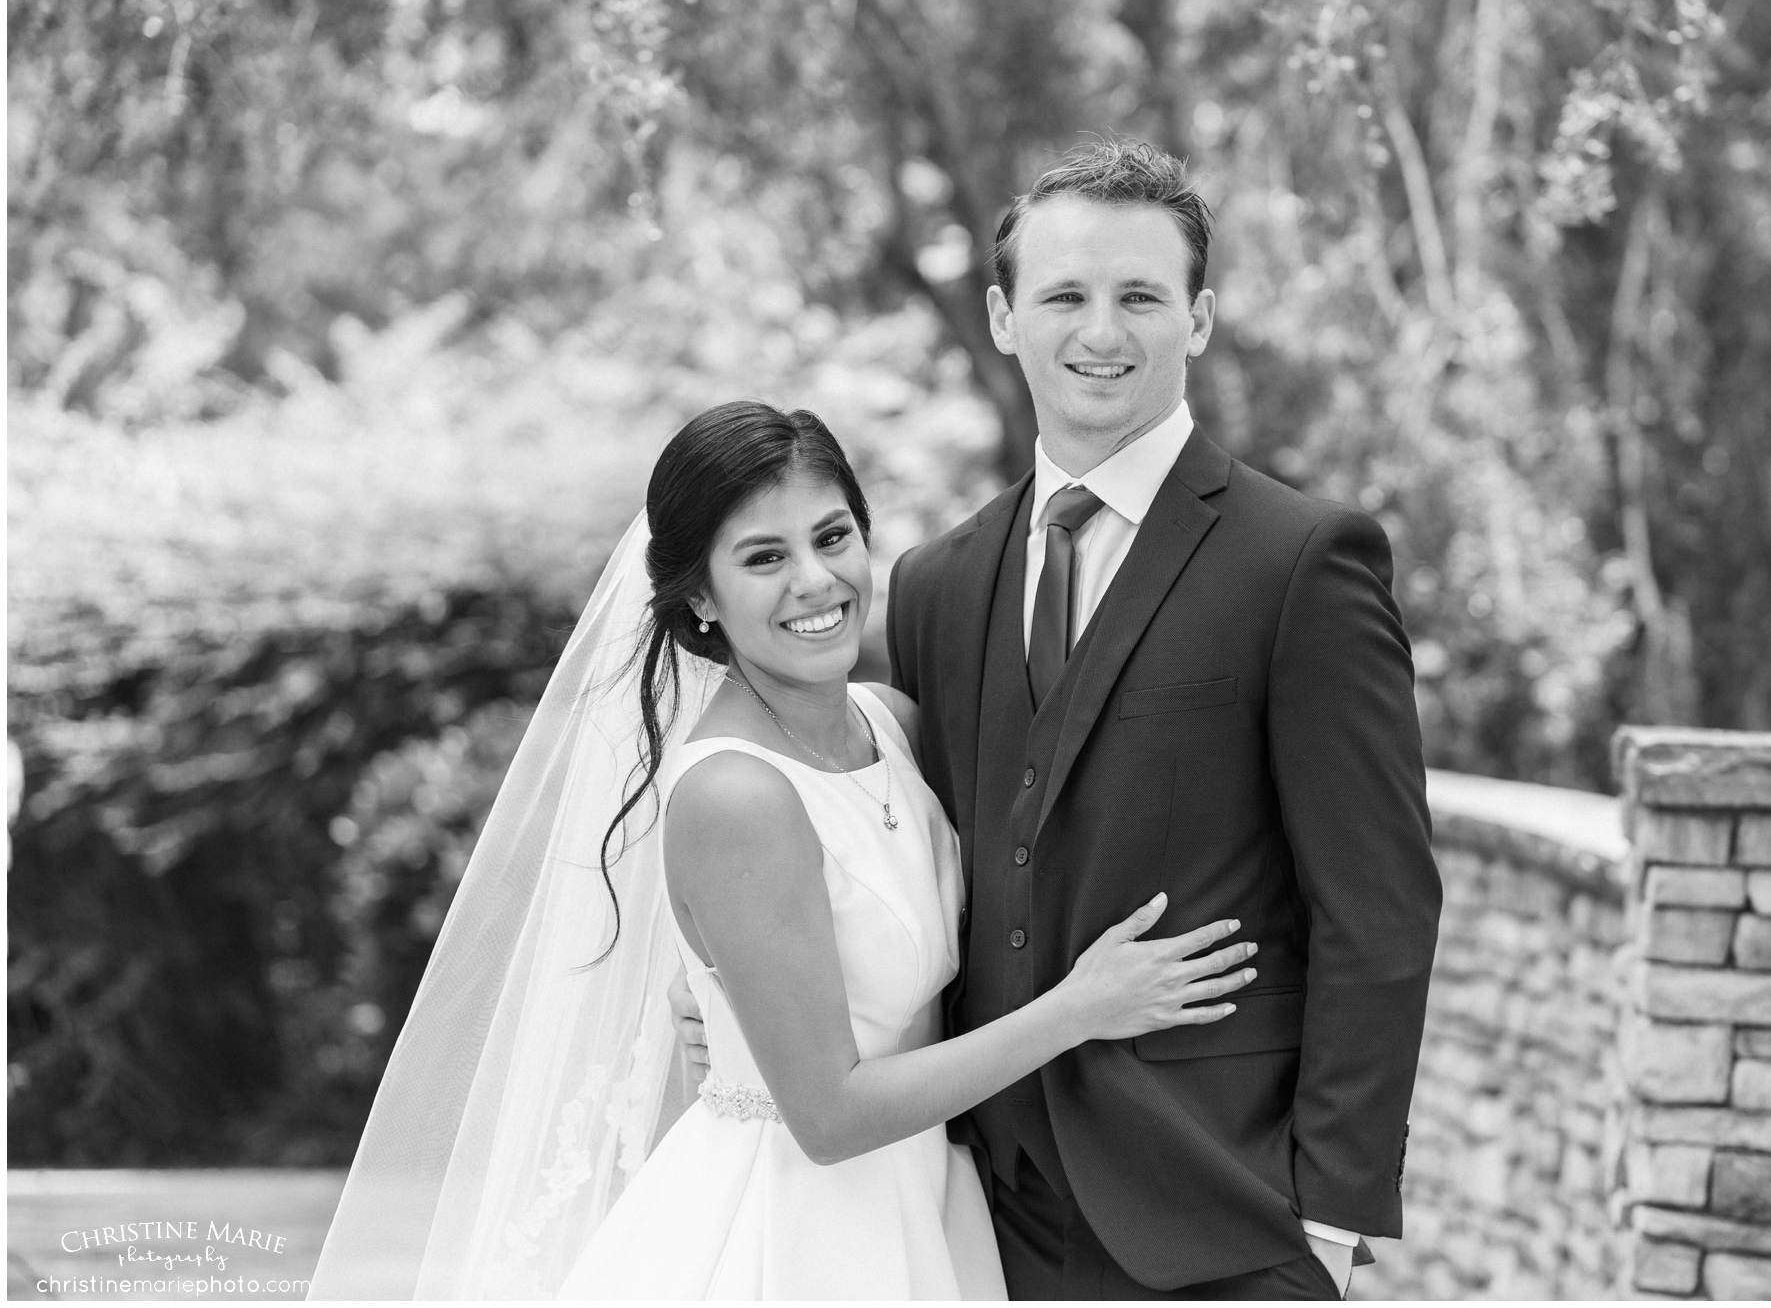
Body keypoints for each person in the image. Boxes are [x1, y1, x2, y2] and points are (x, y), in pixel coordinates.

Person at [680, 137, 1440, 1297]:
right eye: (1064, 295)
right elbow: (905, 859)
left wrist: (1328, 1214)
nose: (1101, 331)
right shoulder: (934, 584)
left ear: (1197, 317)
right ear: (1001, 316)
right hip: (981, 1216)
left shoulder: (1298, 563)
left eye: (1140, 295)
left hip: (1224, 1213)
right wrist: (739, 1011)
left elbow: (1378, 906)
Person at [309, 402, 1257, 1300]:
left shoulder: (892, 727)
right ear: (702, 600)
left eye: (833, 536)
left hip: (932, 1200)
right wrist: (1082, 1007)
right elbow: (831, 1117)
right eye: (765, 557)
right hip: (800, 1228)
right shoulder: (735, 796)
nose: (815, 581)